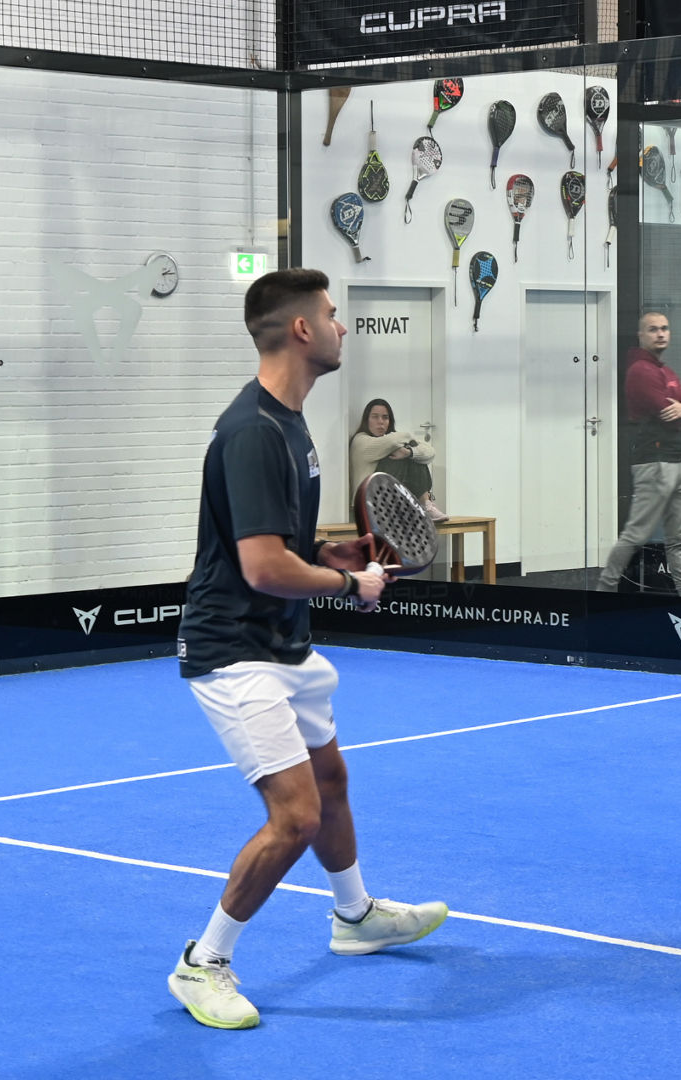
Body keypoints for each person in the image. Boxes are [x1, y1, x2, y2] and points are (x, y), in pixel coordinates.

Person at [171, 268, 447, 1030]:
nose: (341, 326)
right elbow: (261, 567)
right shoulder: (254, 431)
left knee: (331, 779)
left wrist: (339, 551)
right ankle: (204, 963)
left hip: (284, 642)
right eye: (330, 314)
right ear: (300, 331)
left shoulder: (290, 424)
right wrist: (351, 583)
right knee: (294, 816)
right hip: (233, 649)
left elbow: (279, 548)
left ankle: (354, 917)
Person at [597, 311, 681, 597]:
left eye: (665, 328)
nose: (661, 334)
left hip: (678, 462)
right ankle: (604, 591)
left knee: (678, 540)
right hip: (654, 462)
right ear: (641, 335)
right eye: (653, 329)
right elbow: (666, 412)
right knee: (636, 534)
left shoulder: (666, 372)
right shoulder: (640, 371)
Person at [349, 399, 448, 522]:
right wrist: (409, 438)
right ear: (366, 420)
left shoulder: (395, 439)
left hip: (393, 501)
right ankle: (423, 504)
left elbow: (430, 452)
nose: (380, 422)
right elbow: (391, 441)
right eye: (375, 417)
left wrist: (409, 452)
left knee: (413, 455)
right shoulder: (361, 440)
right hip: (368, 504)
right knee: (400, 457)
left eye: (385, 417)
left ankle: (425, 504)